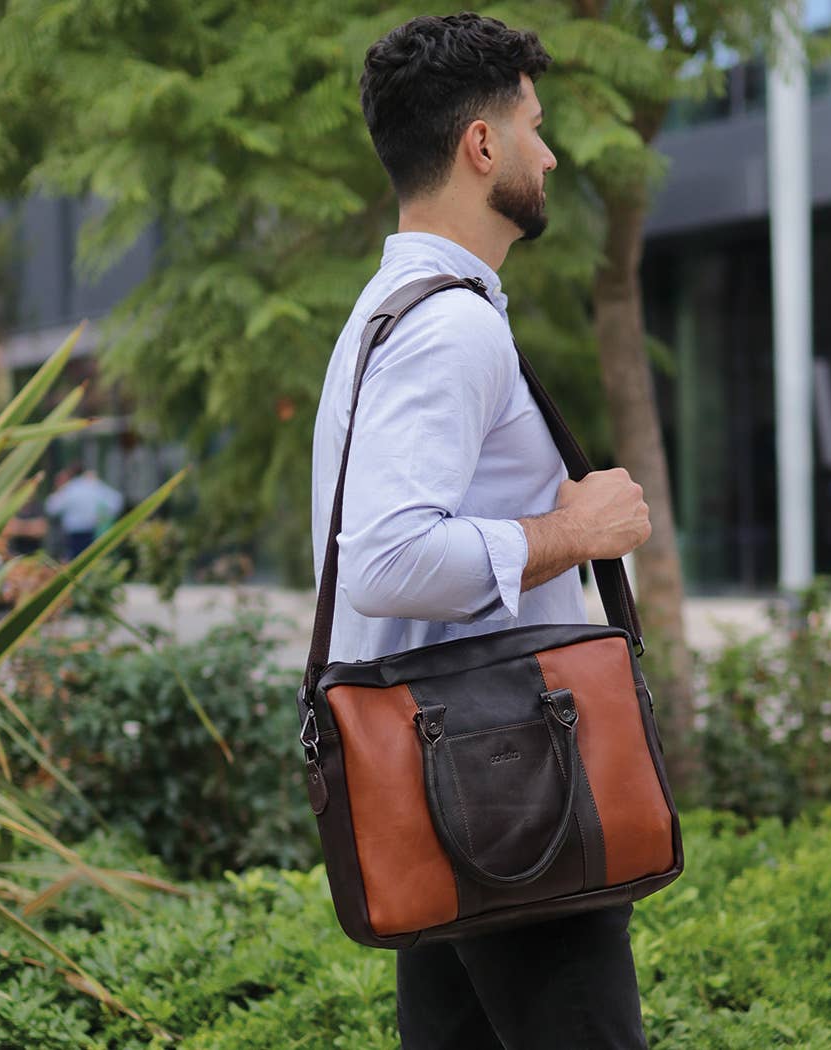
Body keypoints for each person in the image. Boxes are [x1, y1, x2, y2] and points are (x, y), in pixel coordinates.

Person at [311, 14, 653, 1049]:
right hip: (507, 785)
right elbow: (385, 558)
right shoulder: (449, 325)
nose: (549, 153)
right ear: (482, 146)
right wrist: (572, 528)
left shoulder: (388, 310)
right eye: (534, 126)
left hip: (444, 774)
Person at [44, 464, 124, 559]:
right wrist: (105, 517)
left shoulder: (70, 488)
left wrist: (59, 487)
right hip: (92, 532)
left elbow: (51, 508)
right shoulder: (94, 485)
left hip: (74, 536)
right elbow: (117, 500)